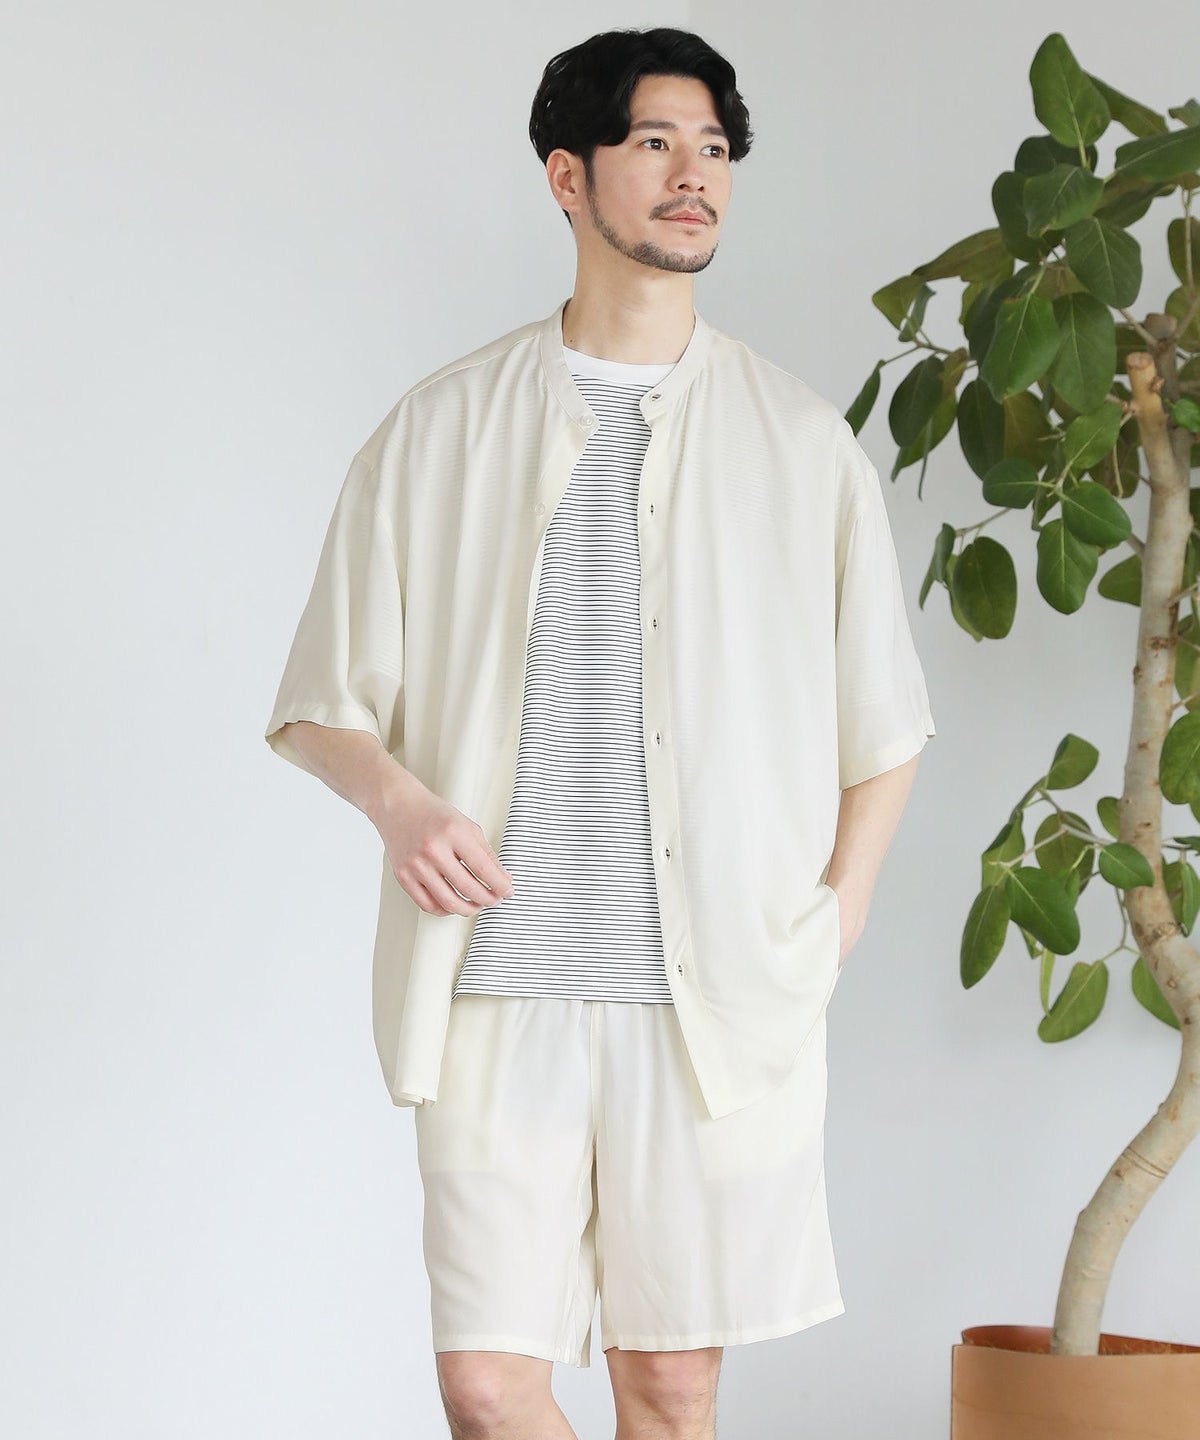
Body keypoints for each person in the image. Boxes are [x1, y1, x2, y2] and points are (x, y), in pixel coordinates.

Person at [264, 25, 936, 1440]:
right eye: (655, 144)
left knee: (670, 1387)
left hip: (713, 1003)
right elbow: (322, 700)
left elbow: (884, 720)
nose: (696, 176)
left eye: (715, 149)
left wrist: (837, 914)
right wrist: (400, 804)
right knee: (487, 1387)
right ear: (567, 177)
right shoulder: (441, 429)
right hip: (495, 984)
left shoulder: (799, 441)